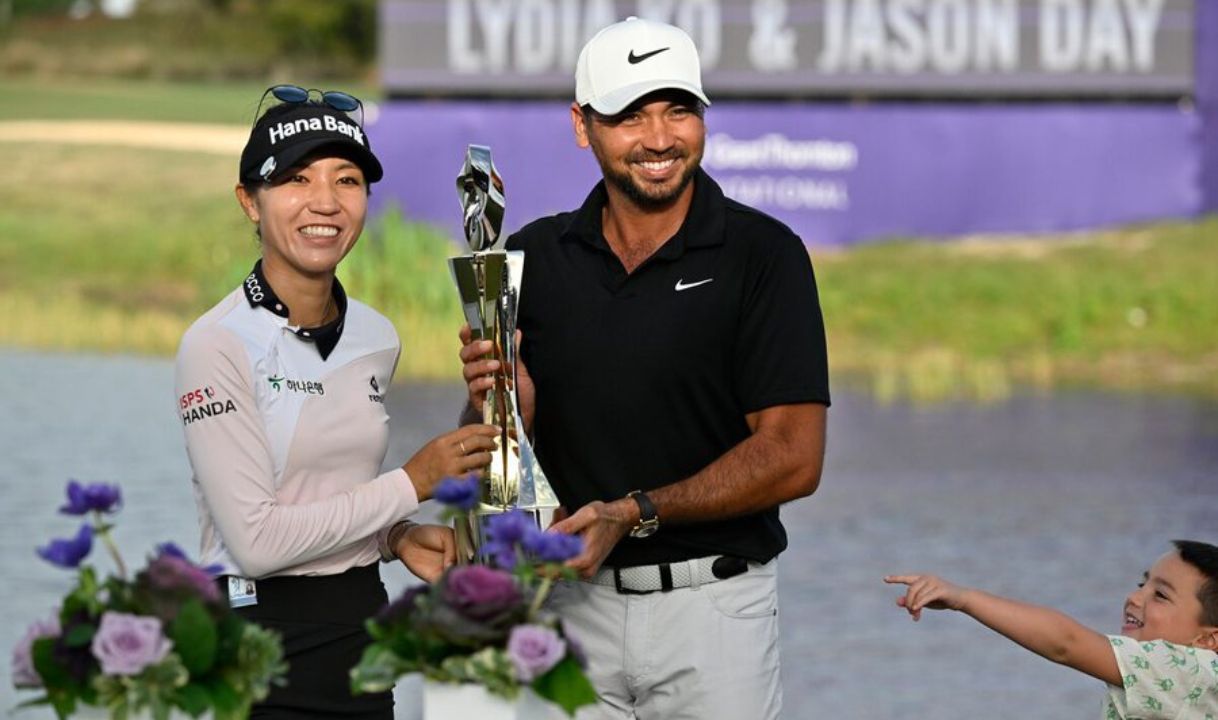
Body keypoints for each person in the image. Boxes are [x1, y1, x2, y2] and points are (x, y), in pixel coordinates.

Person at [458, 18, 830, 719]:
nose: (659, 138)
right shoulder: (532, 257)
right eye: (630, 115)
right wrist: (510, 407)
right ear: (582, 125)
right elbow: (492, 478)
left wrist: (633, 514)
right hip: (568, 612)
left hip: (713, 614)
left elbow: (795, 459)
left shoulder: (764, 255)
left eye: (678, 109)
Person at [175, 85, 497, 719]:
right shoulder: (215, 344)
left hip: (359, 631)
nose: (325, 202)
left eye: (347, 180)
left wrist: (393, 537)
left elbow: (324, 495)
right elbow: (259, 542)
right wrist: (412, 482)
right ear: (250, 201)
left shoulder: (378, 337)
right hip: (256, 642)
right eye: (296, 179)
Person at [886, 539, 1218, 718]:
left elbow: (1065, 643)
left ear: (1208, 639)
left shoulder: (1192, 671)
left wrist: (964, 599)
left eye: (1159, 595)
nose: (1134, 597)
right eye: (1141, 584)